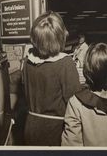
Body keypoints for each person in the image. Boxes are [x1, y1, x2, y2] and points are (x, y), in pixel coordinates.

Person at [22, 11, 80, 146]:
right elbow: (74, 101)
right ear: (61, 36)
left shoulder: (27, 61)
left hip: (30, 126)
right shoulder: (65, 63)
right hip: (55, 130)